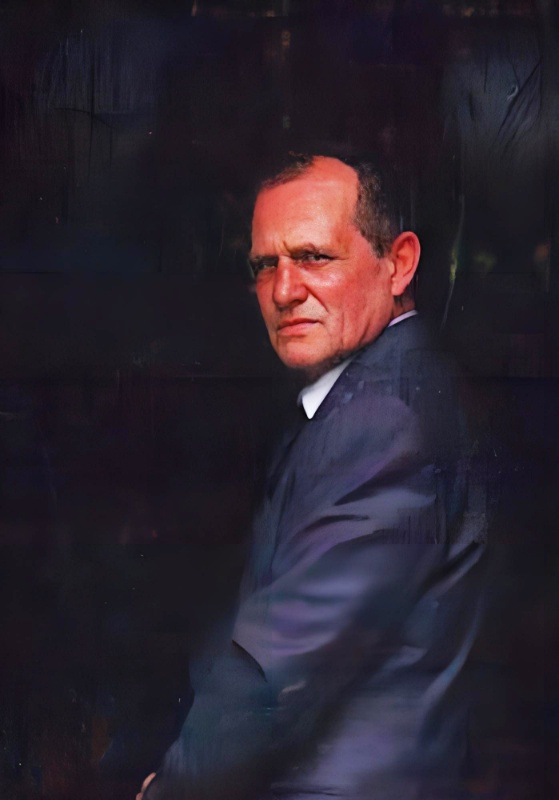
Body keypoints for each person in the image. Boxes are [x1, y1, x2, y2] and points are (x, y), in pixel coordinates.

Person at [139, 154, 487, 800]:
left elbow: (275, 678)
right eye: (263, 265)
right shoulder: (383, 389)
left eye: (314, 257)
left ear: (399, 263)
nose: (283, 290)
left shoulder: (381, 418)